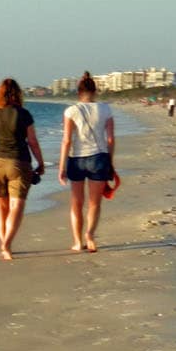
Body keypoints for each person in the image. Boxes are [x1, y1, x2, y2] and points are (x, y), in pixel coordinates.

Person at [0, 78, 45, 261]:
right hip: (19, 162)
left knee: (0, 206)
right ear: (18, 94)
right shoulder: (24, 114)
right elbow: (32, 142)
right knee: (16, 206)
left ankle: (4, 243)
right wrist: (41, 162)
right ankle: (7, 244)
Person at [58, 72, 116, 253]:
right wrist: (110, 162)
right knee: (94, 203)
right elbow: (111, 139)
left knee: (76, 203)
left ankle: (77, 241)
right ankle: (89, 234)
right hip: (99, 158)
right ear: (95, 91)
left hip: (76, 159)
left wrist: (62, 167)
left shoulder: (71, 111)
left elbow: (67, 140)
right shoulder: (106, 110)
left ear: (78, 92)